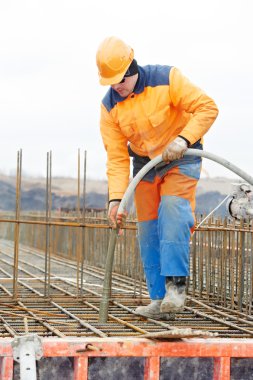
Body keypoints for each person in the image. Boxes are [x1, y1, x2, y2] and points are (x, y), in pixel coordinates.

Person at [96, 36, 218, 319]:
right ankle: (158, 299)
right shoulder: (109, 108)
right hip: (145, 166)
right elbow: (115, 157)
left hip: (182, 156)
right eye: (111, 82)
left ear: (131, 68)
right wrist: (116, 199)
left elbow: (207, 107)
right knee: (148, 229)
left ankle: (176, 288)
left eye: (120, 80)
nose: (117, 87)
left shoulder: (167, 78)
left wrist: (184, 139)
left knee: (173, 211)